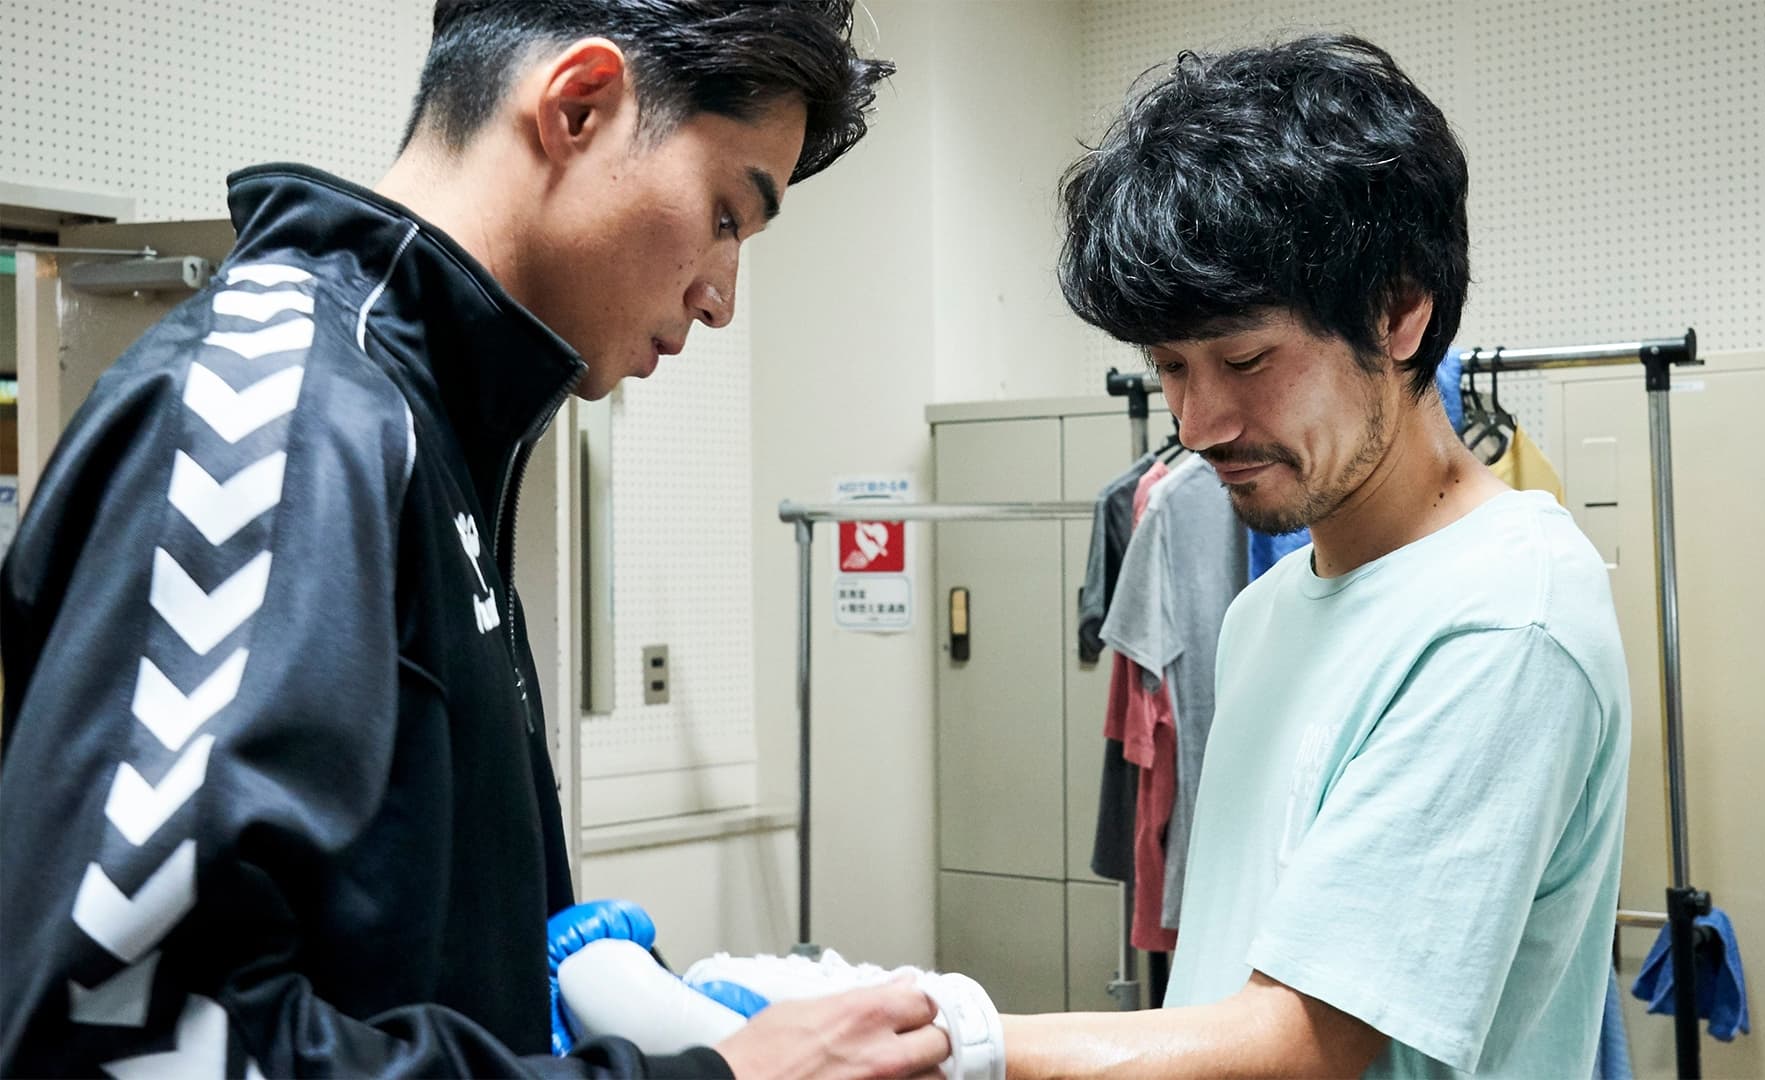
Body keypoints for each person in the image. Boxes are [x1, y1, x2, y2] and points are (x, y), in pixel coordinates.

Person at [0, 3, 950, 1077]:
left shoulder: (430, 428)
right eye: (729, 214)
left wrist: (564, 996)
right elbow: (124, 1045)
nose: (722, 298)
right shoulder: (283, 411)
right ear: (579, 105)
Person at [1000, 34, 1632, 1078]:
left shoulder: (1504, 620)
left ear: (1398, 312)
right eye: (1170, 367)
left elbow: (1307, 1043)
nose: (1198, 425)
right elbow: (1233, 992)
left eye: (1247, 359)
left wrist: (950, 1037)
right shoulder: (1266, 610)